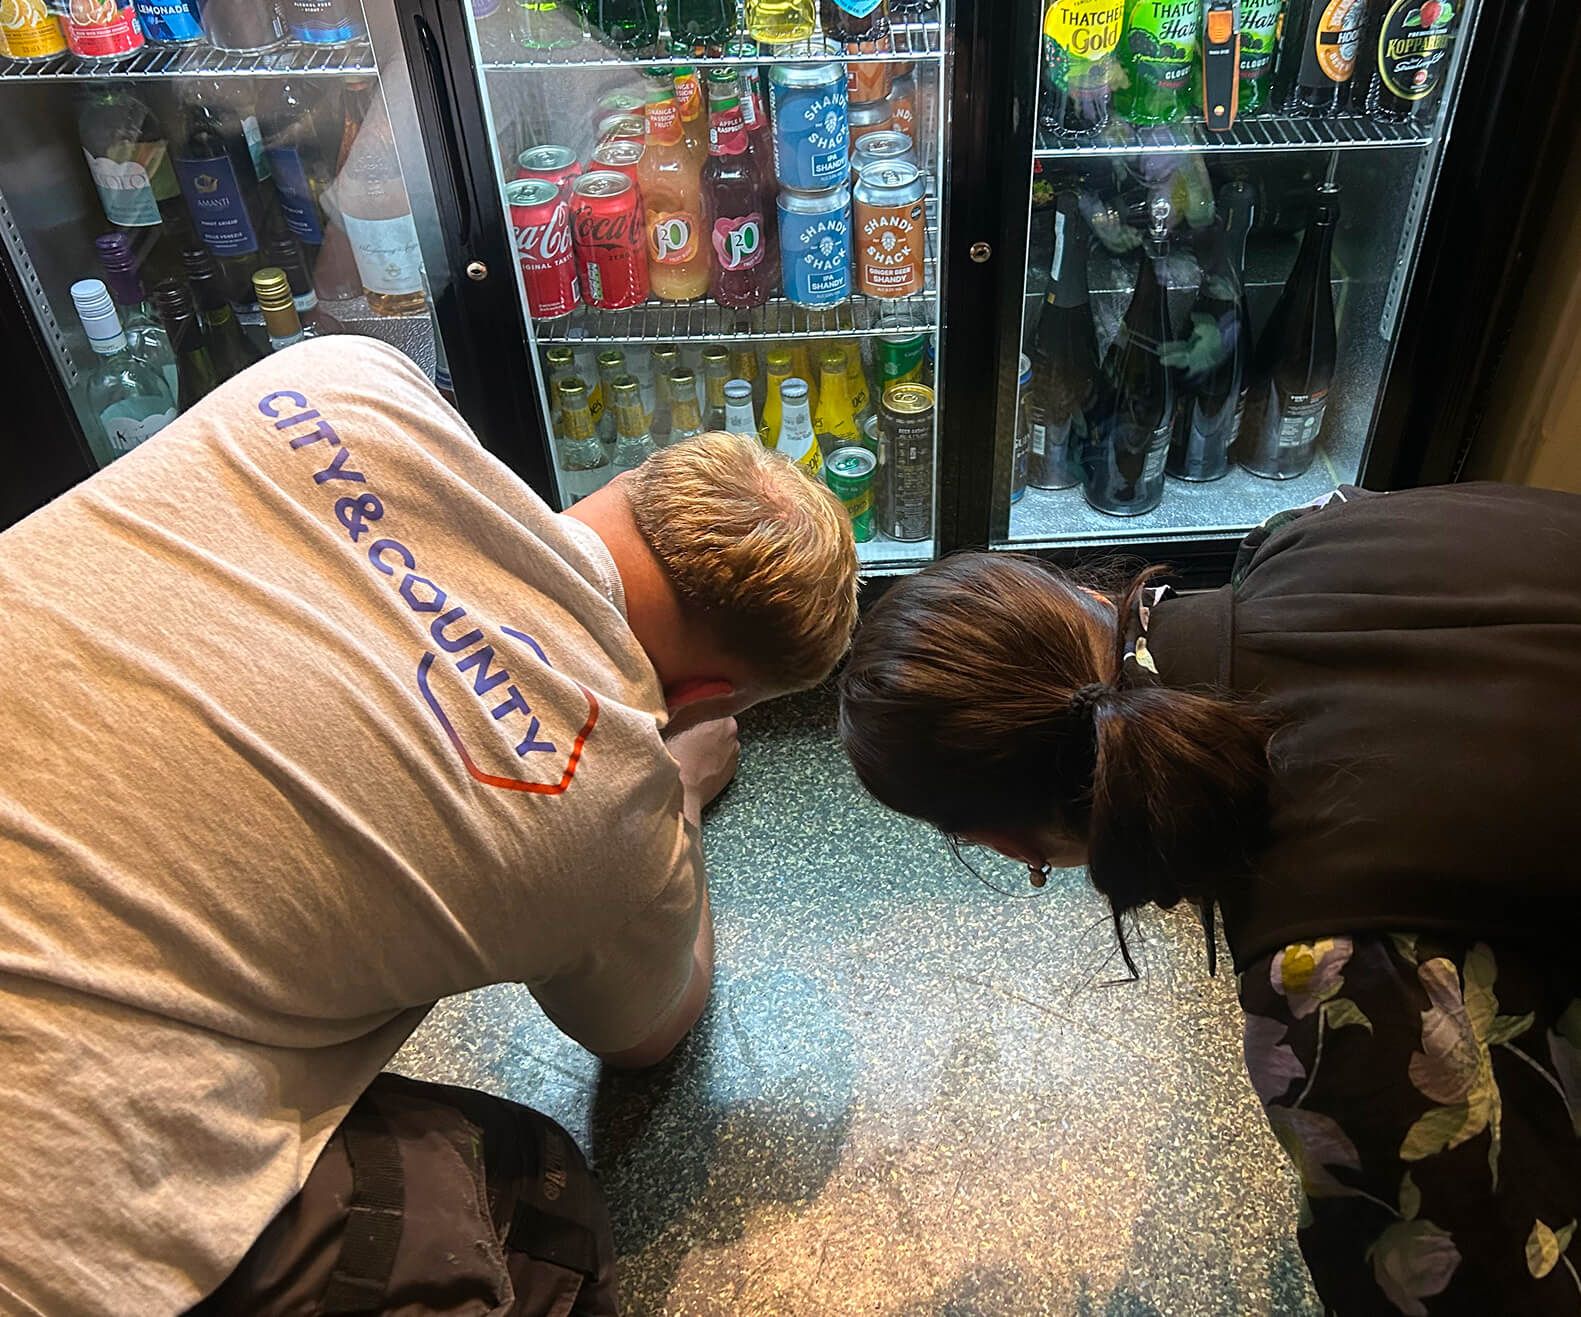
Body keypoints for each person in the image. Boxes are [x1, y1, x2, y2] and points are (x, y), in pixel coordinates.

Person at [0, 336, 859, 1315]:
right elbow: (650, 1033)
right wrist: (682, 796)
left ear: (626, 483)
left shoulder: (341, 378)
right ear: (708, 693)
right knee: (533, 1219)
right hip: (39, 1215)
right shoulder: (612, 811)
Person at [837, 484, 1581, 1315]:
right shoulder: (1311, 529)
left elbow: (1489, 1281)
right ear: (1086, 594)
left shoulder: (1329, 988)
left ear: (1012, 848)